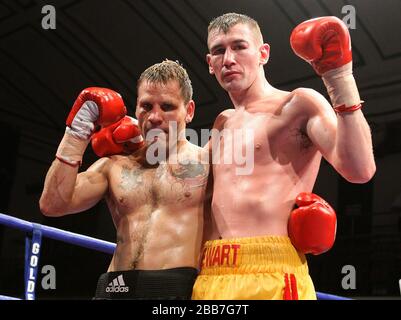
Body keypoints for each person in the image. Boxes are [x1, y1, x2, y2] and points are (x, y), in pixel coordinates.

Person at [192, 13, 376, 300]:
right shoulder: (222, 122)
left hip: (273, 273)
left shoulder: (298, 104)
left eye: (239, 46)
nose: (228, 58)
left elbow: (360, 169)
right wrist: (138, 143)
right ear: (210, 64)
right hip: (211, 272)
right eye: (219, 50)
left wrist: (338, 77)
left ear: (263, 53)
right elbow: (185, 186)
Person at [39, 60, 210, 299]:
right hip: (113, 288)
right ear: (136, 108)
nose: (154, 117)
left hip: (175, 290)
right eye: (146, 106)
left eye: (167, 106)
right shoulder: (114, 165)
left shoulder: (209, 164)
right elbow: (53, 205)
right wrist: (77, 133)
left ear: (189, 111)